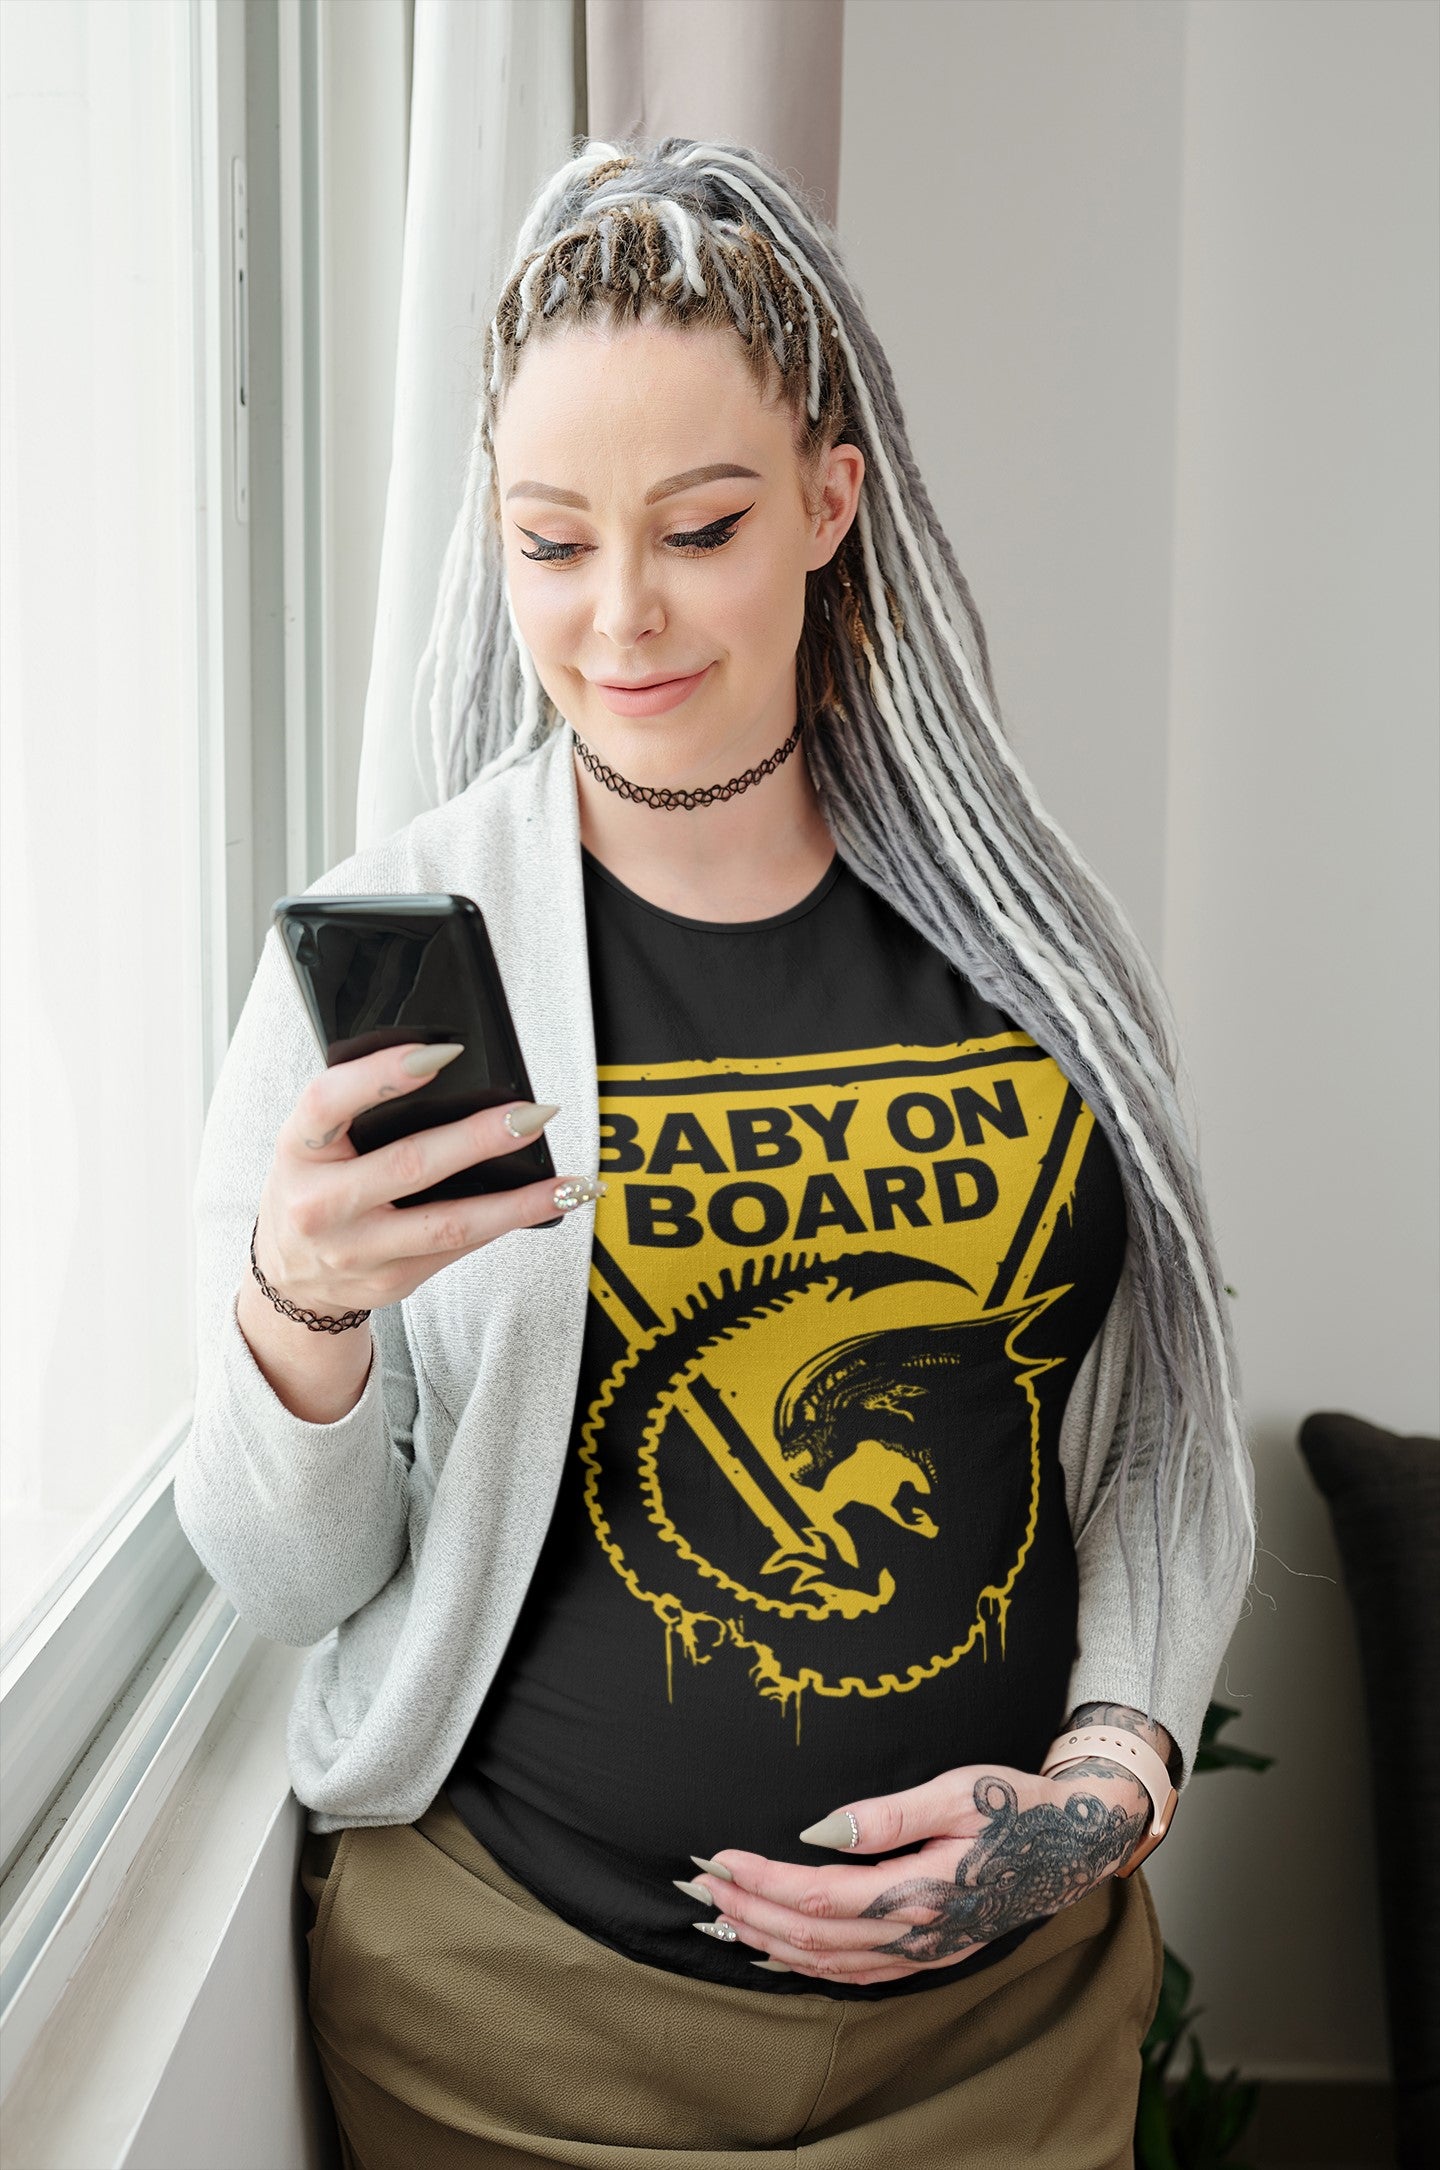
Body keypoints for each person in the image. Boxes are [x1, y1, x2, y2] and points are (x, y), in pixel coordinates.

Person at [174, 135, 1256, 2169]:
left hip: (1006, 2041)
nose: (622, 616)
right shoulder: (408, 948)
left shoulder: (1033, 946)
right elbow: (286, 1573)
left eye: (700, 524)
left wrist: (1111, 1769)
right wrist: (295, 1305)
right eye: (553, 541)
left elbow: (1150, 1439)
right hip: (524, 2040)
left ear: (833, 500)